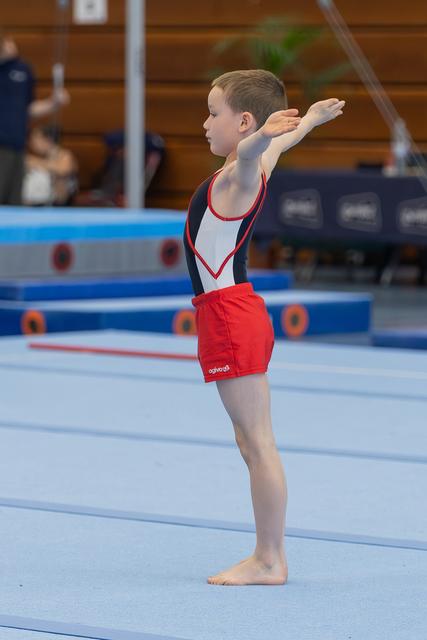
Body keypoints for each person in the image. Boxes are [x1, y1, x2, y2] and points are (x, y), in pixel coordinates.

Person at [183, 69, 345, 586]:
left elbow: (255, 152)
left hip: (230, 315)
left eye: (213, 113)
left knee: (257, 443)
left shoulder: (239, 174)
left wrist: (260, 139)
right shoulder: (249, 163)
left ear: (245, 121)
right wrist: (311, 121)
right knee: (250, 440)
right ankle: (268, 555)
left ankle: (269, 559)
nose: (205, 124)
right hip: (231, 312)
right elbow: (273, 146)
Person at [0, 30, 69, 205]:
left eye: (8, 41)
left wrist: (53, 103)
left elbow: (28, 108)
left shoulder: (23, 69)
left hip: (18, 144)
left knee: (14, 199)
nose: (9, 45)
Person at [23, 125, 78, 206]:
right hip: (32, 202)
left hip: (58, 203)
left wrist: (36, 163)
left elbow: (63, 170)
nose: (31, 142)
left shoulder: (65, 155)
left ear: (48, 140)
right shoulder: (34, 157)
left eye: (35, 138)